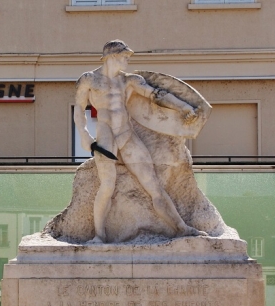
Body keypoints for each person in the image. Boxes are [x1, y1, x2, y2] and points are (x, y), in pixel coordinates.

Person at [74, 39, 206, 243]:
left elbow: (157, 95)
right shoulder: (89, 79)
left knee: (153, 185)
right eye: (124, 57)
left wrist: (183, 107)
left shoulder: (128, 80)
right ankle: (99, 235)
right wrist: (84, 135)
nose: (127, 61)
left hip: (127, 135)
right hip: (105, 137)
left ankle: (181, 228)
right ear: (113, 57)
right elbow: (79, 110)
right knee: (107, 185)